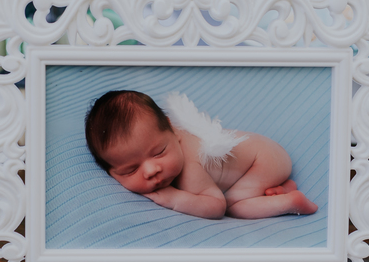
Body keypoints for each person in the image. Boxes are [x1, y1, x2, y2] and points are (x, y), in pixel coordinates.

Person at [84, 90, 318, 220]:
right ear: (111, 171)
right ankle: (280, 189)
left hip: (264, 161)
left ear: (172, 130)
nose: (151, 170)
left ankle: (290, 201)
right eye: (130, 170)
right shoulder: (161, 140)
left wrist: (175, 199)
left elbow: (215, 206)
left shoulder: (190, 166)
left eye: (159, 152)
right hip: (265, 156)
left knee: (234, 207)